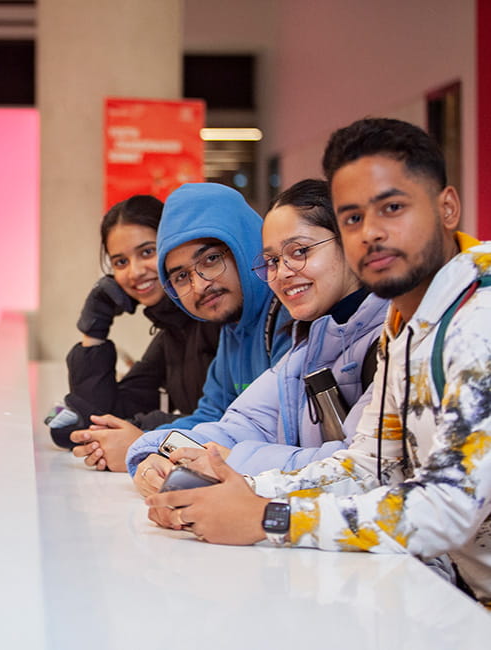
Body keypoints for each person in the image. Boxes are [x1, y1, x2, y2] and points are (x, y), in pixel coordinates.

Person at [146, 117, 491, 606]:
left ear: (447, 207)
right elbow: (369, 467)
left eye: (391, 208)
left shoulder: (479, 321)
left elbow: (447, 508)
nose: (369, 234)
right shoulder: (407, 326)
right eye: (351, 218)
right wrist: (232, 490)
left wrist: (269, 517)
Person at [129, 179, 388, 495]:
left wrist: (233, 462)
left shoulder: (397, 342)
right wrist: (158, 453)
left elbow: (364, 472)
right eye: (273, 261)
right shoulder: (308, 344)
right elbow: (239, 425)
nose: (283, 273)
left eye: (300, 251)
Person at [70, 183, 293, 471]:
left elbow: (283, 439)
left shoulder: (291, 318)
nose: (200, 285)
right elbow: (212, 417)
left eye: (211, 259)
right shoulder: (229, 325)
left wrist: (148, 443)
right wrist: (140, 442)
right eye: (181, 276)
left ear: (245, 243)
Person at [48, 195, 222, 449]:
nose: (135, 271)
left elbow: (232, 424)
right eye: (121, 262)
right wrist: (94, 328)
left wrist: (139, 428)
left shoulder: (217, 316)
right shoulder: (171, 332)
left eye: (147, 252)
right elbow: (100, 413)